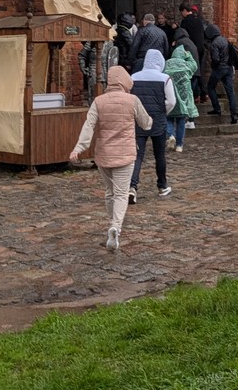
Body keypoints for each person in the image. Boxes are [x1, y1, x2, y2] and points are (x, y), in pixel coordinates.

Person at [69, 64, 152, 252]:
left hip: (104, 154)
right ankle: (115, 227)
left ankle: (111, 223)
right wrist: (150, 122)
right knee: (122, 193)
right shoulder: (132, 100)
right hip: (125, 153)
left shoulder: (99, 101)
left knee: (109, 191)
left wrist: (79, 148)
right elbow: (145, 123)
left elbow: (88, 126)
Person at [127, 48, 176, 201]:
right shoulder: (165, 78)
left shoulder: (133, 77)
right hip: (158, 121)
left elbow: (130, 99)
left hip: (139, 121)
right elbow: (171, 101)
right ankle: (162, 185)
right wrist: (163, 111)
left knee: (137, 156)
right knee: (159, 155)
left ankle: (132, 186)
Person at [164, 34, 199, 152]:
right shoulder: (186, 64)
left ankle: (170, 135)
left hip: (170, 94)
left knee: (168, 118)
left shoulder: (167, 63)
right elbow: (195, 66)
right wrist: (188, 55)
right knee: (180, 121)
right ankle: (179, 145)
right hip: (183, 96)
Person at [204, 23, 238, 123]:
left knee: (210, 87)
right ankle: (234, 115)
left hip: (220, 68)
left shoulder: (214, 43)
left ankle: (217, 108)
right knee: (230, 92)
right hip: (228, 68)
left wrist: (213, 65)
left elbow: (215, 59)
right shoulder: (225, 40)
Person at [179, 2, 208, 103]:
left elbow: (184, 36)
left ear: (184, 11)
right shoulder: (199, 20)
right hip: (201, 48)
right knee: (199, 71)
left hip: (191, 49)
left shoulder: (185, 22)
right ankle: (204, 93)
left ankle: (195, 95)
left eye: (181, 12)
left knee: (193, 73)